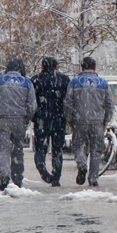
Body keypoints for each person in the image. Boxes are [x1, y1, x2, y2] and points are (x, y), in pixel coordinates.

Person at [0, 58, 37, 190]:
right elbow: (32, 105)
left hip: (1, 119)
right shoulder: (27, 83)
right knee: (18, 149)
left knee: (2, 149)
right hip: (20, 119)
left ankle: (4, 175)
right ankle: (17, 177)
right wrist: (27, 118)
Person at [64, 57, 113, 187]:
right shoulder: (103, 83)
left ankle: (82, 164)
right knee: (97, 150)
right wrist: (106, 120)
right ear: (94, 67)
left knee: (78, 146)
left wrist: (69, 119)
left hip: (79, 120)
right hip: (98, 121)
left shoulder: (74, 82)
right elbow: (109, 104)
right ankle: (93, 178)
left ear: (82, 67)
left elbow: (68, 102)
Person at [31, 56, 71, 186]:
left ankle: (41, 165)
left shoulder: (35, 80)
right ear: (57, 66)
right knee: (57, 148)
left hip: (41, 117)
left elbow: (32, 101)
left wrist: (33, 117)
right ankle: (56, 176)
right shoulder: (64, 80)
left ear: (42, 66)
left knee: (41, 146)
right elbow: (68, 101)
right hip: (59, 118)